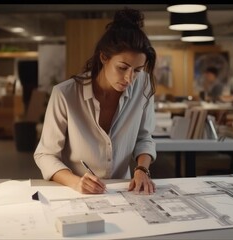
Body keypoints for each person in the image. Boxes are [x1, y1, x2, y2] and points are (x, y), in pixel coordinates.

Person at [34, 8, 157, 195]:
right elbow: (45, 154)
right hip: (76, 192)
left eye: (138, 70)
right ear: (104, 57)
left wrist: (142, 170)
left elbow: (144, 138)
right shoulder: (64, 94)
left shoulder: (144, 86)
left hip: (122, 191)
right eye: (122, 67)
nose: (130, 78)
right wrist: (75, 182)